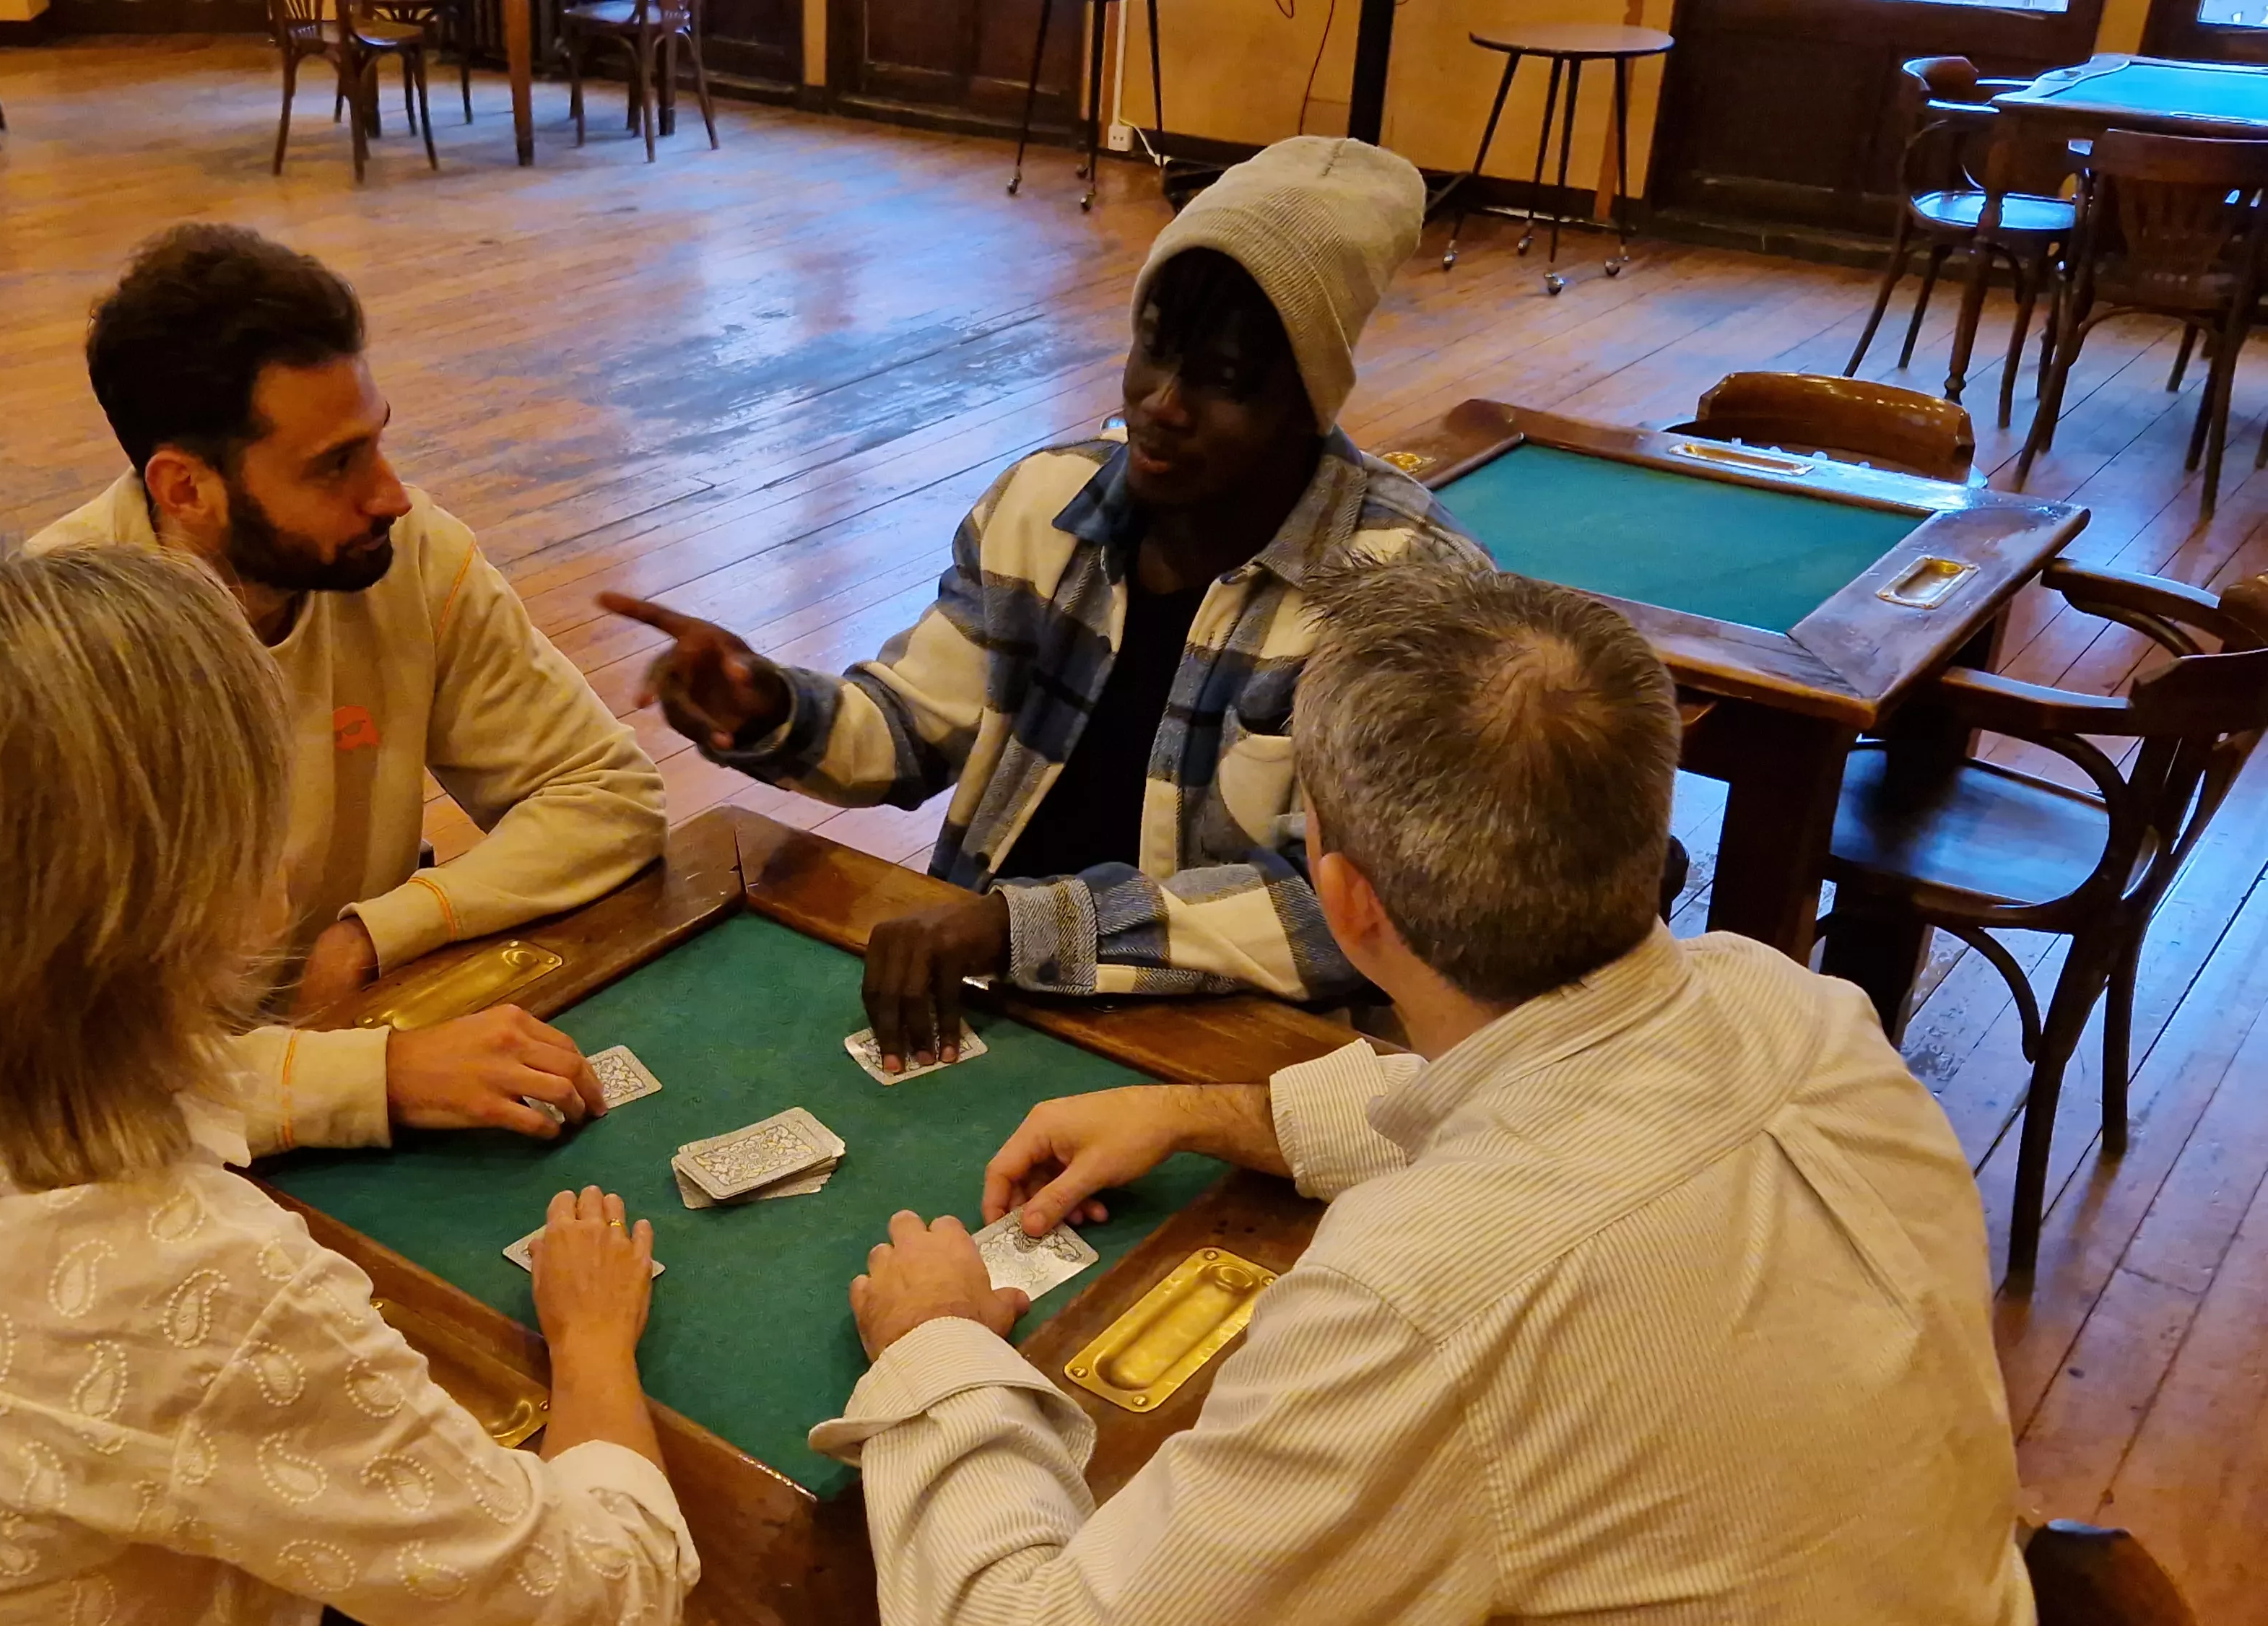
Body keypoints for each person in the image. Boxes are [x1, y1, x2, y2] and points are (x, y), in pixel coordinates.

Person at [811, 564, 2036, 1625]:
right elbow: (1540, 1099)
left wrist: (938, 1356)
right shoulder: (1791, 1003)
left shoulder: (1421, 1294)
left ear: (1347, 904)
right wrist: (1199, 1112)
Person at [0, 547, 696, 1625]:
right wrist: (594, 1345)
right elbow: (597, 1596)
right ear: (174, 889)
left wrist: (374, 1074)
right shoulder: (211, 1285)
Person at [602, 137, 1489, 1071]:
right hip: (991, 995)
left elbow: (1344, 915)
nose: (1162, 403)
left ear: (1310, 403)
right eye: (1154, 347)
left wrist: (1017, 928)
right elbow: (908, 727)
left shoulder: (1406, 598)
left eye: (1224, 381)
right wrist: (771, 708)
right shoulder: (1041, 507)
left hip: (1244, 1057)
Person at [31, 224, 666, 1145]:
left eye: (376, 441)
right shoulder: (45, 660)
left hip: (356, 1037)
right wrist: (379, 1074)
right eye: (335, 464)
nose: (391, 495)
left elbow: (607, 796)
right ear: (184, 489)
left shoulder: (407, 555)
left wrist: (378, 931)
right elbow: (62, 1073)